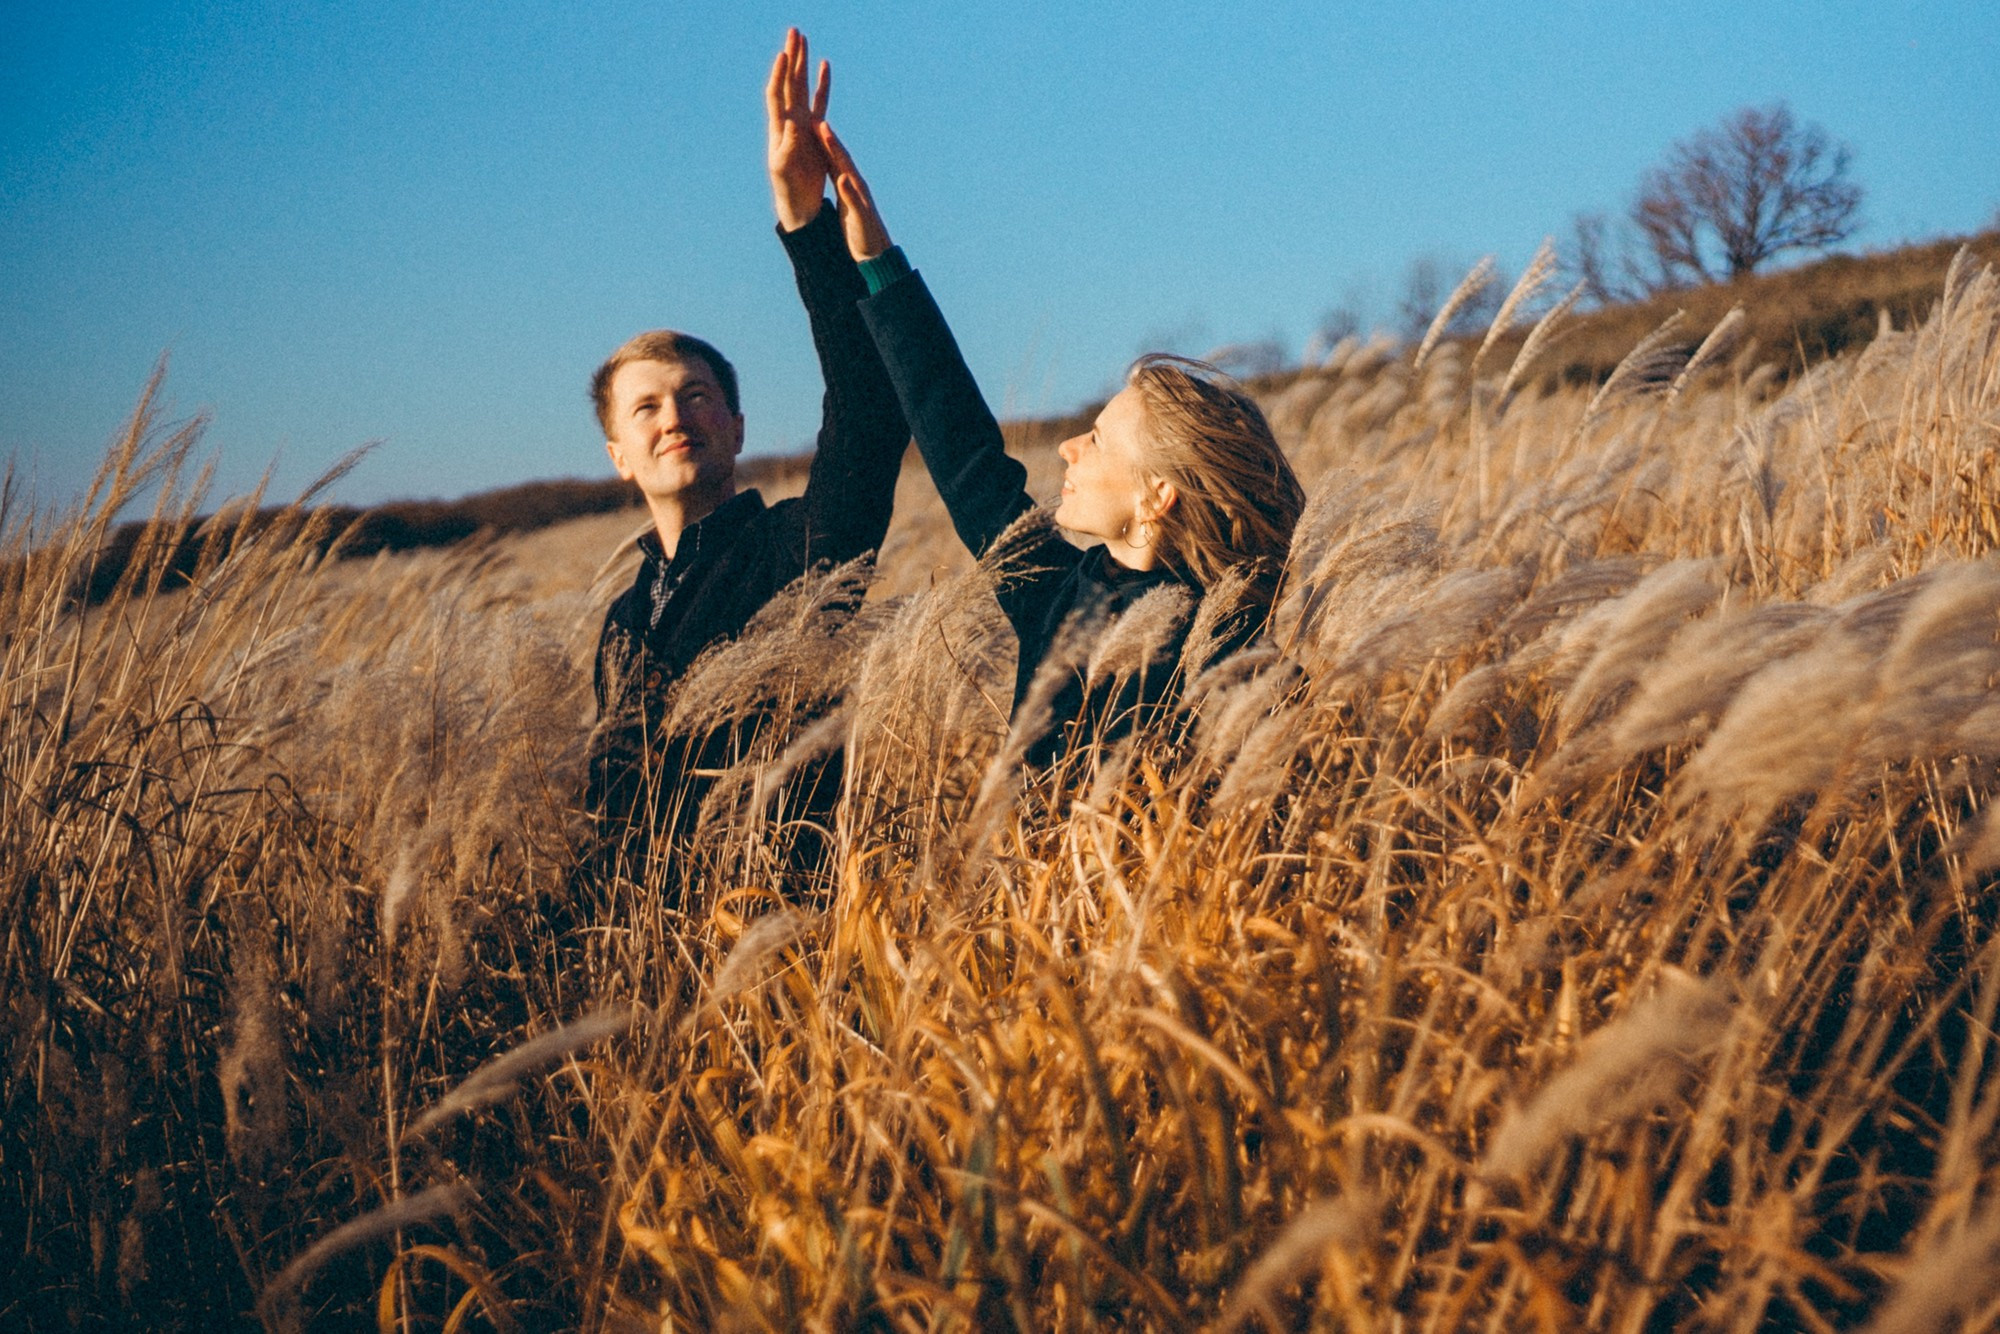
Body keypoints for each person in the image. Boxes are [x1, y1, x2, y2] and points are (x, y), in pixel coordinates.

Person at [812, 118, 1306, 769]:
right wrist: (879, 263)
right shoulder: (1054, 596)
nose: (1069, 447)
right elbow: (962, 448)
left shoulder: (1232, 644)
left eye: (1099, 440)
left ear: (1158, 494)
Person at [584, 30, 906, 864]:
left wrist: (806, 223)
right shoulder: (623, 624)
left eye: (697, 396)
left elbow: (870, 413)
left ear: (736, 426)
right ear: (620, 453)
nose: (673, 416)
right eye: (646, 407)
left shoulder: (798, 549)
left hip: (781, 941)